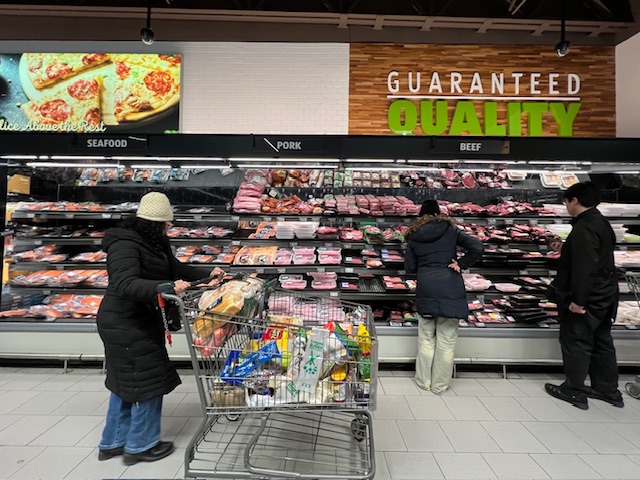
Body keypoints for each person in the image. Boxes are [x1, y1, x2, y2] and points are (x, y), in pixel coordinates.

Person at [97, 192, 224, 465]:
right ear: (152, 224)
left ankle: (113, 442)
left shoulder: (154, 242)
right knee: (148, 382)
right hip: (124, 323)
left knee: (125, 382)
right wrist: (164, 287)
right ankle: (140, 445)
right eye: (166, 223)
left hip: (139, 319)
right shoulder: (124, 244)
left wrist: (207, 274)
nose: (169, 227)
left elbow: (173, 267)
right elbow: (125, 284)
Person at [545, 181, 623, 410]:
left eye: (566, 202)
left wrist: (578, 300)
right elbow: (596, 255)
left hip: (589, 296)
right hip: (605, 294)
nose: (566, 206)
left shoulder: (584, 228)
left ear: (575, 200)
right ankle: (608, 391)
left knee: (576, 341)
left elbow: (584, 268)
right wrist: (566, 249)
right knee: (602, 341)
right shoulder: (600, 223)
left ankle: (574, 391)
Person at [404, 200, 483, 393]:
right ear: (439, 213)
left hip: (427, 287)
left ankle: (423, 381)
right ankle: (440, 385)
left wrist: (423, 267)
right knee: (446, 341)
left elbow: (410, 268)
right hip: (450, 287)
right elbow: (477, 247)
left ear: (420, 215)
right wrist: (461, 264)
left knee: (426, 339)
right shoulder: (450, 230)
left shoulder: (414, 235)